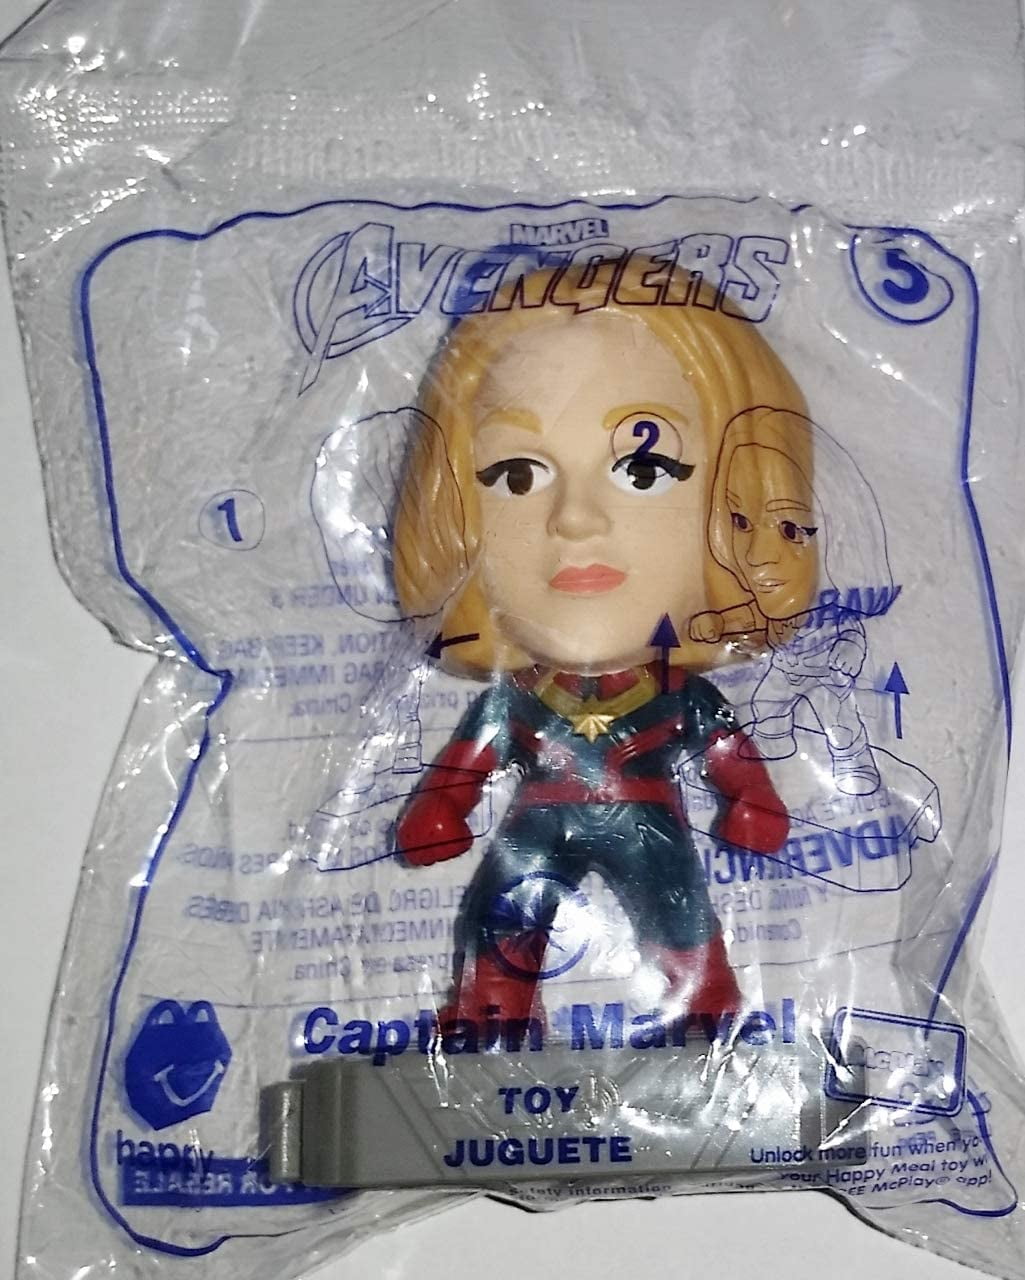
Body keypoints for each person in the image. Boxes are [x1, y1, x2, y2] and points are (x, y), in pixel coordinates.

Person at [389, 261, 806, 1036]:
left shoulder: (678, 694)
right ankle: (491, 1014)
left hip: (649, 822)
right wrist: (438, 806)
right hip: (538, 822)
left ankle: (705, 1010)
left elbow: (730, 756)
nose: (575, 518)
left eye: (644, 469)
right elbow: (467, 762)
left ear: (742, 496)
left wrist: (753, 799)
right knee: (501, 915)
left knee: (677, 909)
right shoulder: (517, 697)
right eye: (516, 474)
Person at [690, 407, 896, 795]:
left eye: (789, 529)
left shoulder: (833, 603)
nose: (756, 556)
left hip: (828, 671)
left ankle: (853, 762)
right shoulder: (769, 601)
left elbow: (850, 635)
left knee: (841, 721)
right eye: (740, 522)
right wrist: (717, 624)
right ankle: (776, 756)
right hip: (785, 668)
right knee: (767, 711)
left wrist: (848, 655)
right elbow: (749, 617)